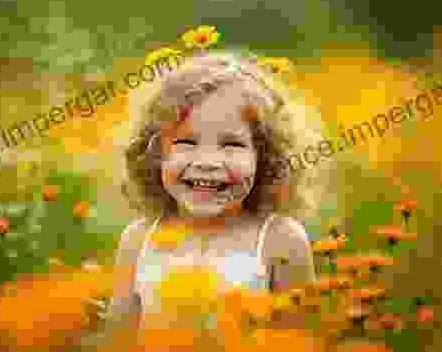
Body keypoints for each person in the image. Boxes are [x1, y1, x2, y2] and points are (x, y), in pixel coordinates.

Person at [109, 50, 323, 332]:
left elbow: (301, 340)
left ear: (266, 158)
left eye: (232, 144)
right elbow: (116, 340)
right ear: (155, 154)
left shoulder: (280, 241)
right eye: (185, 142)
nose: (207, 162)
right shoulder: (138, 240)